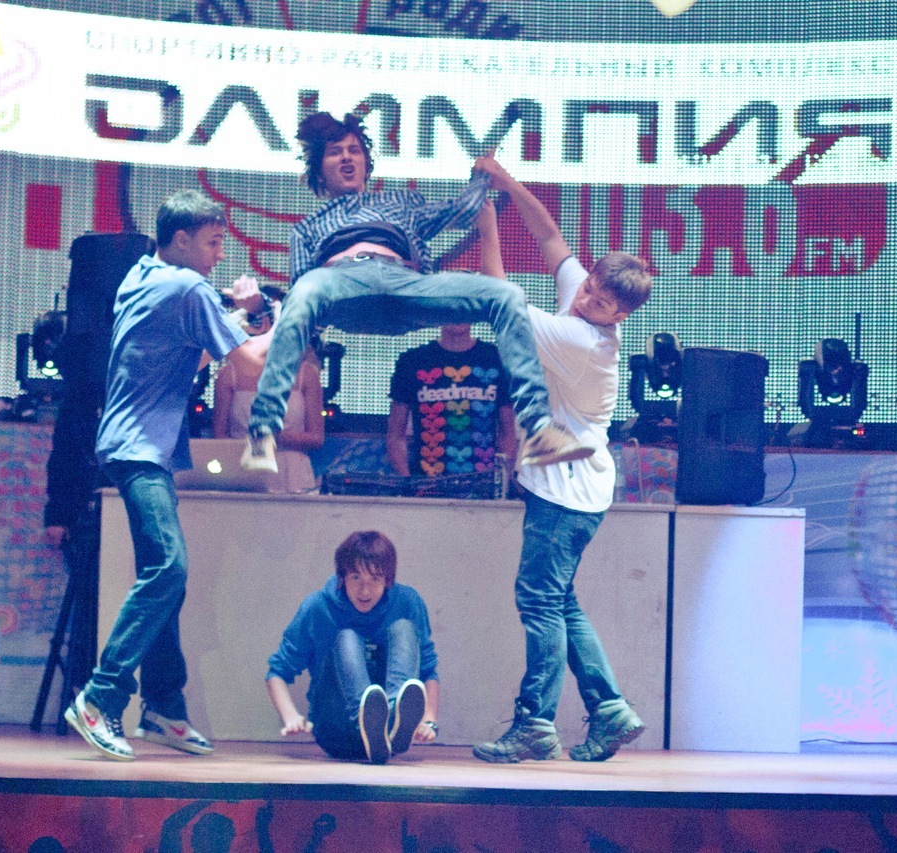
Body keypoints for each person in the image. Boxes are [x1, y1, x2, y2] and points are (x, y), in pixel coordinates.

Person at [241, 111, 595, 475]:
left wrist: (480, 175)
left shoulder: (401, 202)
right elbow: (300, 306)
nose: (347, 157)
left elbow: (464, 210)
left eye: (354, 150)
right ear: (319, 169)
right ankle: (263, 429)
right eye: (335, 152)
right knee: (304, 291)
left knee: (507, 296)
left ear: (365, 163)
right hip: (342, 283)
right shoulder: (306, 228)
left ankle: (538, 429)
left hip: (405, 282)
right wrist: (260, 309)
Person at [64, 189, 271, 761]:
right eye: (213, 242)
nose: (220, 254)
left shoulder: (142, 275)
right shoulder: (187, 288)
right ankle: (100, 699)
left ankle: (163, 707)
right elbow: (250, 364)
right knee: (169, 568)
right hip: (139, 452)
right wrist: (290, 316)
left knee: (164, 580)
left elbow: (193, 351)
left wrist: (242, 318)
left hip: (133, 447)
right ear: (181, 240)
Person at [468, 155, 653, 764]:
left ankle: (535, 723)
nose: (585, 299)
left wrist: (487, 219)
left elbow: (499, 298)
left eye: (599, 301)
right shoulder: (582, 301)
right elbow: (549, 235)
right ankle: (610, 710)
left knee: (539, 601)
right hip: (574, 482)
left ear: (619, 316)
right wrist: (506, 180)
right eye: (590, 286)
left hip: (565, 488)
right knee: (559, 600)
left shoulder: (584, 342)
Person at [266, 530, 439, 764]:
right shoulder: (318, 607)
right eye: (356, 578)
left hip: (388, 740)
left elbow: (428, 669)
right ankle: (367, 720)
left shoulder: (407, 602)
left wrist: (429, 719)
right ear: (342, 577)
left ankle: (391, 717)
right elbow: (277, 671)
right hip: (337, 731)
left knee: (404, 629)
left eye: (375, 579)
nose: (365, 590)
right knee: (347, 637)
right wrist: (290, 716)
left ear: (388, 580)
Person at [213, 299, 324, 493]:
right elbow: (219, 437)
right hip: (243, 468)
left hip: (291, 472)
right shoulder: (228, 375)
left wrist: (272, 437)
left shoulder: (306, 374)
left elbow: (316, 437)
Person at [386, 323, 517, 478]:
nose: (458, 318)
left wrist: (501, 482)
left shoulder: (497, 359)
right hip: (426, 485)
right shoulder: (412, 361)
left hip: (483, 487)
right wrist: (408, 483)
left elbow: (508, 434)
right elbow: (395, 435)